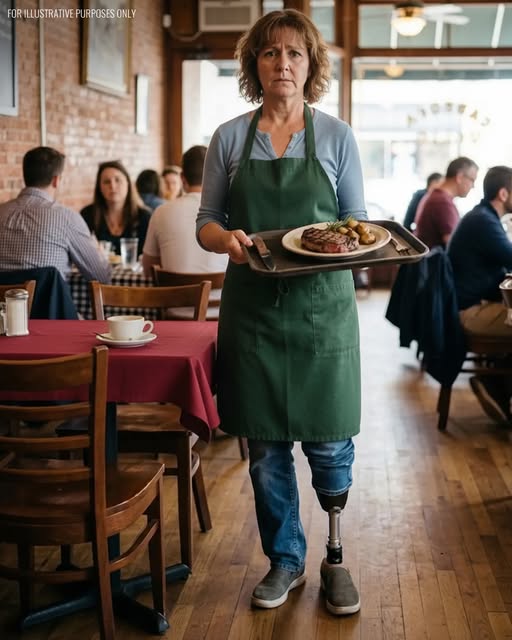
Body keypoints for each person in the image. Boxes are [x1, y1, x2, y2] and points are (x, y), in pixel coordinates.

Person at [197, 9, 366, 616]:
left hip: (323, 314)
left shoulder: (337, 136)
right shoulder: (228, 138)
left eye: (295, 53)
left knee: (329, 447)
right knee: (266, 451)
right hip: (253, 314)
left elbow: (358, 223)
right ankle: (286, 560)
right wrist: (227, 241)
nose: (283, 63)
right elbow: (206, 223)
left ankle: (336, 557)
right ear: (255, 64)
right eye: (270, 52)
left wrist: (342, 242)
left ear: (310, 64)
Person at [448, 165, 512, 424]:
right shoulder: (484, 221)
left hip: (470, 304)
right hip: (470, 312)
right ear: (504, 194)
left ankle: (497, 381)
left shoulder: (482, 217)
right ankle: (496, 383)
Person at [0, 146, 110, 283]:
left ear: (26, 176)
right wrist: (99, 252)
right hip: (46, 298)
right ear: (56, 180)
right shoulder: (67, 218)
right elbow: (101, 277)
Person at [142, 145, 228, 276]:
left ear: (182, 178)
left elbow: (148, 270)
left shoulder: (161, 212)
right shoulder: (230, 211)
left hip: (174, 290)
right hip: (222, 290)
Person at [81, 160, 151, 257]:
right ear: (99, 187)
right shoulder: (87, 215)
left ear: (128, 183)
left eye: (117, 180)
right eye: (106, 182)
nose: (112, 186)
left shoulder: (144, 217)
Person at [414, 156, 478, 249]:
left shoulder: (436, 196)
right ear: (459, 177)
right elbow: (455, 245)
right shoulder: (442, 202)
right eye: (472, 180)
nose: (473, 186)